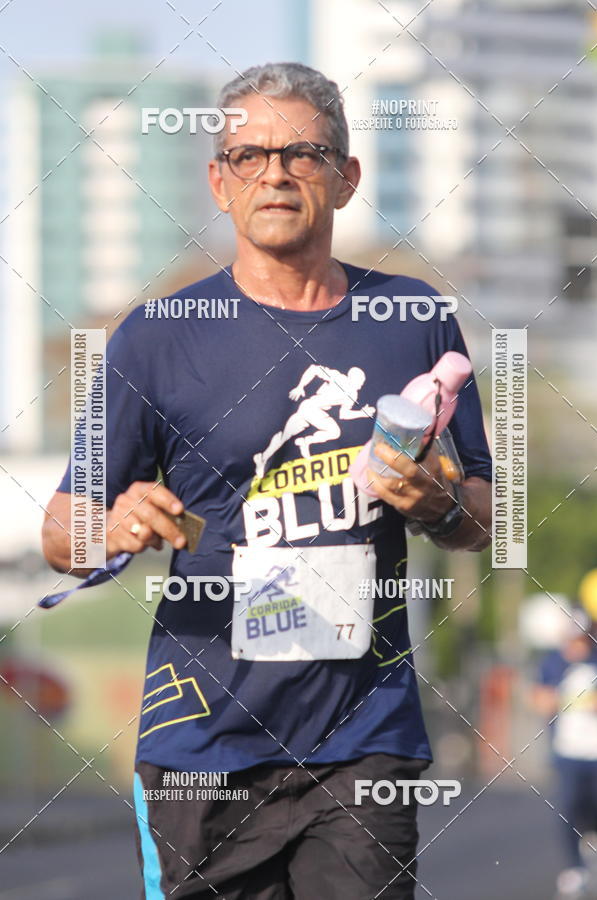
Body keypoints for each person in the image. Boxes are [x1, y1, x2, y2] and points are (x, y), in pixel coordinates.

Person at [42, 62, 492, 900]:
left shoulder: (416, 319)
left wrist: (436, 505)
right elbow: (63, 533)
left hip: (364, 738)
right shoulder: (154, 337)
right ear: (220, 182)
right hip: (202, 740)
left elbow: (485, 516)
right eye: (249, 156)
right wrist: (112, 529)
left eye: (302, 154)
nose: (275, 174)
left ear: (346, 177)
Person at [531, 610, 597, 898]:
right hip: (568, 752)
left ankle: (592, 838)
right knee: (568, 808)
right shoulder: (553, 663)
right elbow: (540, 700)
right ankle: (574, 868)